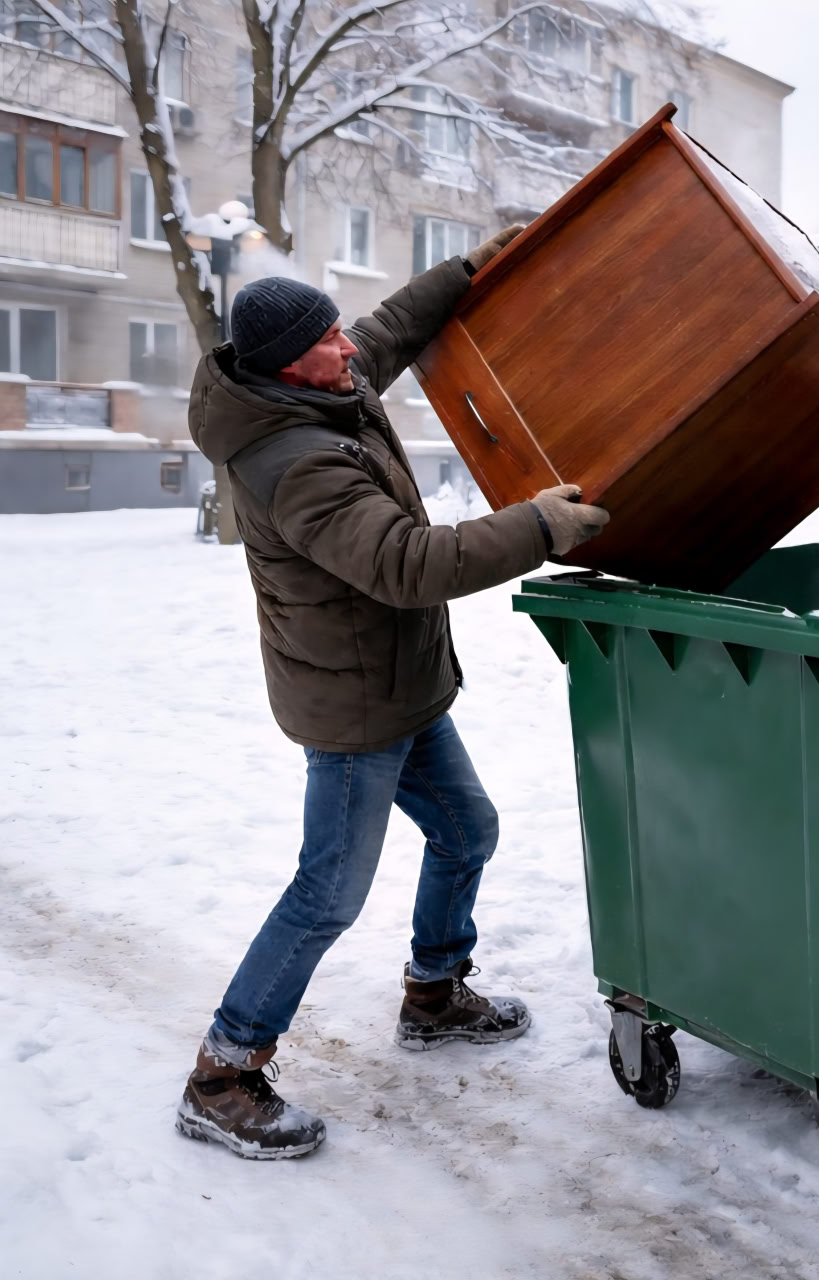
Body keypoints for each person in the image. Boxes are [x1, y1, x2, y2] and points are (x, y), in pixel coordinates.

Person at [179, 227, 609, 1160]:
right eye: (328, 342)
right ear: (290, 368)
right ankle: (222, 1073)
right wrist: (536, 526)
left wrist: (467, 271)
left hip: (397, 684)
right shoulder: (296, 461)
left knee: (467, 830)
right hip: (353, 707)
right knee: (328, 892)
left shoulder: (308, 380)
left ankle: (434, 992)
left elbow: (386, 330)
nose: (349, 349)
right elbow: (407, 564)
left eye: (336, 334)